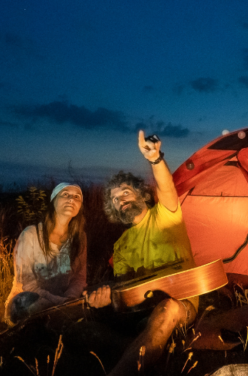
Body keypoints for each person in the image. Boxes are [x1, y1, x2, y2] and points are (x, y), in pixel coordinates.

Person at [85, 131, 197, 376]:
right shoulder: (121, 245)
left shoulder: (165, 215)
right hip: (141, 309)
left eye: (125, 192)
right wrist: (108, 299)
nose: (120, 200)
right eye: (114, 200)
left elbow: (166, 187)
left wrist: (155, 159)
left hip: (180, 302)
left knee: (168, 309)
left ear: (141, 194)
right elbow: (126, 288)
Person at [5, 182, 87, 325]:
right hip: (29, 301)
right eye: (65, 195)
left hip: (62, 301)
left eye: (77, 197)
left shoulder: (79, 239)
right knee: (33, 305)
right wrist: (61, 303)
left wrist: (70, 298)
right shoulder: (31, 235)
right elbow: (27, 284)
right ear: (53, 201)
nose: (71, 200)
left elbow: (79, 277)